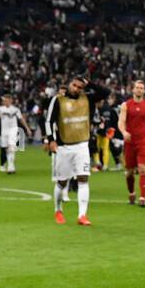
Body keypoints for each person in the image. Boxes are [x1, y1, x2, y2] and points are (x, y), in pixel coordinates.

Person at [45, 76, 99, 225]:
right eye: (74, 85)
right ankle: (58, 209)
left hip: (82, 145)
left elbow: (104, 93)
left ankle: (82, 215)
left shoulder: (87, 99)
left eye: (80, 87)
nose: (76, 88)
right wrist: (51, 140)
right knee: (62, 182)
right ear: (70, 84)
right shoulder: (58, 100)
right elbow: (48, 120)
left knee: (83, 179)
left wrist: (90, 83)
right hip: (64, 147)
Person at [119, 79, 145, 207]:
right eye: (137, 87)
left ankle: (143, 198)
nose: (139, 90)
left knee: (143, 169)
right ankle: (132, 193)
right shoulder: (126, 105)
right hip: (130, 142)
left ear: (144, 90)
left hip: (143, 141)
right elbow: (121, 121)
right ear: (133, 89)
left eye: (141, 88)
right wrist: (124, 132)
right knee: (129, 172)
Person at [0, 95, 31, 174]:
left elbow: (21, 119)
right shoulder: (1, 109)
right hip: (4, 132)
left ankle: (11, 167)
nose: (6, 102)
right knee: (6, 149)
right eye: (5, 100)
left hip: (13, 130)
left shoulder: (16, 110)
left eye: (8, 100)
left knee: (11, 147)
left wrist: (27, 128)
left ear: (11, 101)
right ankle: (11, 165)